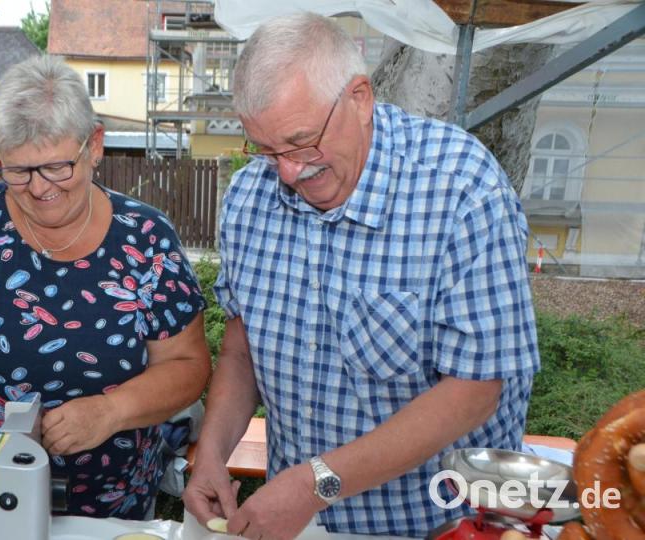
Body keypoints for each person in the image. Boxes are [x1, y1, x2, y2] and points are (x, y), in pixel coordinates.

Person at [183, 13, 541, 539]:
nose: (287, 171)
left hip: (441, 524)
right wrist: (213, 452)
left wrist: (315, 485)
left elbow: (475, 391)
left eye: (302, 142)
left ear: (359, 98)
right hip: (304, 524)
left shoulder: (463, 189)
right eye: (265, 148)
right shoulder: (247, 200)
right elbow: (242, 347)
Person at [0, 55, 212, 520]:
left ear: (95, 147)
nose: (38, 188)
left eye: (56, 168)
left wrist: (112, 411)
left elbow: (188, 365)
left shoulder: (146, 240)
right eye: (18, 171)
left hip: (106, 508)